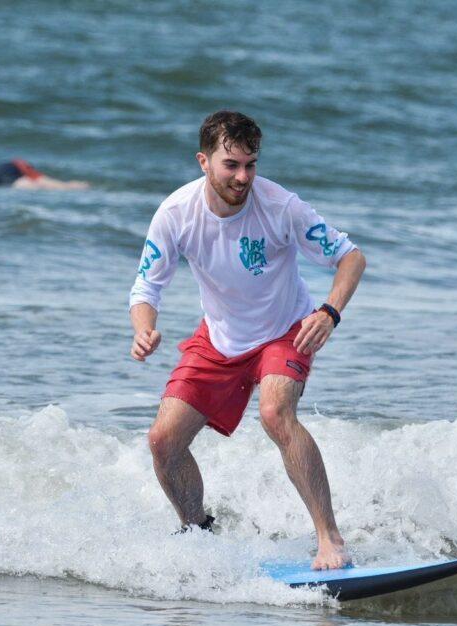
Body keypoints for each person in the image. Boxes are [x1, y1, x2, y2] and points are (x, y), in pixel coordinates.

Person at [129, 110, 366, 570]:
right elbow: (145, 288)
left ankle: (329, 540)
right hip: (220, 337)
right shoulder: (176, 214)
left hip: (284, 330)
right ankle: (198, 533)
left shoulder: (281, 206)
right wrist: (144, 328)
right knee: (163, 440)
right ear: (204, 161)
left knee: (276, 413)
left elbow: (351, 258)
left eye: (251, 164)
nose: (243, 177)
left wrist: (329, 311)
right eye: (231, 165)